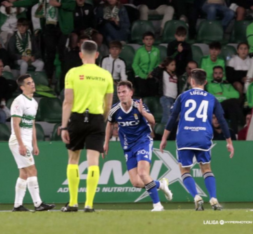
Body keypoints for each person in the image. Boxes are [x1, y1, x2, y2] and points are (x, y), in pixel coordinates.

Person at [160, 69, 234, 211]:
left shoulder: (183, 96)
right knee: (206, 169)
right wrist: (229, 142)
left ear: (191, 81)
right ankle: (213, 199)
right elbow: (222, 121)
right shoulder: (211, 98)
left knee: (184, 171)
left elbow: (172, 118)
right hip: (203, 137)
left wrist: (164, 139)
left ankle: (196, 197)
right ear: (205, 82)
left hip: (185, 138)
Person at [60, 40, 114, 212]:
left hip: (77, 118)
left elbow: (68, 102)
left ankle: (73, 202)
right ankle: (89, 204)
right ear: (97, 55)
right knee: (93, 162)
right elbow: (108, 104)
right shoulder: (106, 75)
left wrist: (63, 126)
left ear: (80, 54)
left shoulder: (72, 73)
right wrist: (102, 120)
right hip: (97, 119)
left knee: (73, 160)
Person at [104, 81, 173, 212]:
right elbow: (109, 123)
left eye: (124, 92)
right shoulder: (115, 109)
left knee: (142, 173)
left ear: (131, 93)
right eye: (119, 92)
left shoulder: (138, 106)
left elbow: (152, 121)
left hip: (143, 141)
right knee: (136, 183)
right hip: (127, 146)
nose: (121, 95)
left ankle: (157, 205)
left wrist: (144, 113)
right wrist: (106, 142)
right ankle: (160, 184)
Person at [9, 74, 55, 211]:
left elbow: (32, 125)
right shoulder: (18, 102)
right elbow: (16, 125)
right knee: (32, 170)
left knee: (23, 173)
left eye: (33, 82)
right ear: (22, 87)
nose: (33, 84)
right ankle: (38, 203)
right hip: (18, 141)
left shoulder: (34, 103)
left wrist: (35, 144)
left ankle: (17, 205)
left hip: (27, 141)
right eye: (29, 83)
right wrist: (21, 144)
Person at [2, 0, 76, 84]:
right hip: (49, 26)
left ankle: (65, 80)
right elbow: (30, 1)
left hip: (63, 27)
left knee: (62, 54)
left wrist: (59, 4)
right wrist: (12, 4)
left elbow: (72, 5)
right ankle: (48, 79)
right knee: (49, 53)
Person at [206, 66, 243, 133]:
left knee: (232, 108)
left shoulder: (227, 84)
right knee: (232, 102)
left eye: (220, 73)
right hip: (217, 107)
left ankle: (235, 133)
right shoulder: (209, 85)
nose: (218, 75)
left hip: (228, 107)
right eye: (216, 73)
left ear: (223, 75)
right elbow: (212, 98)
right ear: (213, 75)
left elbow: (236, 95)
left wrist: (222, 94)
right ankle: (242, 122)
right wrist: (228, 95)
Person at [132, 32, 161, 97]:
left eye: (151, 39)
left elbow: (158, 64)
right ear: (143, 41)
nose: (149, 41)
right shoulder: (139, 51)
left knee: (153, 91)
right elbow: (135, 65)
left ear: (153, 40)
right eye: (146, 39)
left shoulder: (157, 51)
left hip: (151, 75)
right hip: (140, 75)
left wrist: (152, 73)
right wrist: (144, 75)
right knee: (143, 91)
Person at [151, 57, 179, 124]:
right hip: (166, 97)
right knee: (167, 114)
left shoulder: (175, 75)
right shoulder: (163, 73)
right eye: (172, 65)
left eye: (174, 65)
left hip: (174, 99)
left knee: (174, 115)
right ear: (167, 66)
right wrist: (160, 66)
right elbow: (153, 74)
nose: (174, 66)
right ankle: (163, 131)